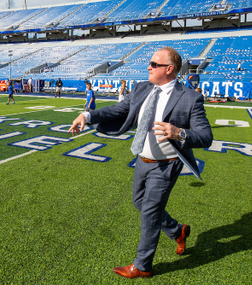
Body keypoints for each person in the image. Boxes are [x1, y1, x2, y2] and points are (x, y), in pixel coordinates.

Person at [68, 47, 213, 279]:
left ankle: (142, 265)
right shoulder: (142, 88)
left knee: (150, 212)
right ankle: (178, 231)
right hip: (142, 159)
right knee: (139, 203)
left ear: (169, 69)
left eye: (154, 64)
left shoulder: (190, 97)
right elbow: (118, 109)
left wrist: (179, 132)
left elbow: (206, 136)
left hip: (166, 164)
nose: (149, 67)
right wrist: (86, 116)